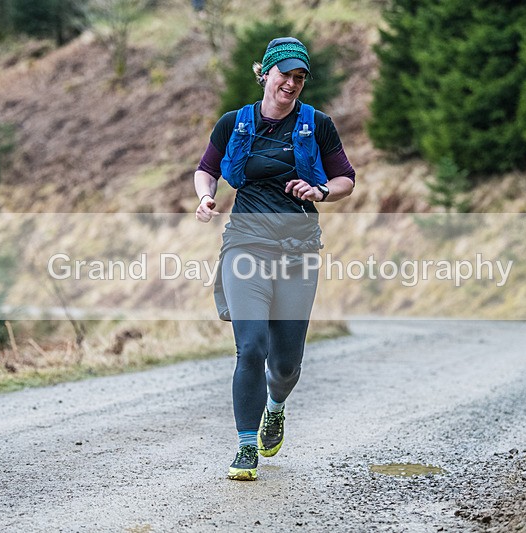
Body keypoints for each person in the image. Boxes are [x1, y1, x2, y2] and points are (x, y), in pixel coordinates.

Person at [194, 36, 356, 481]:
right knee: (250, 347)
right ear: (265, 73)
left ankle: (275, 406)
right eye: (286, 74)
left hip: (298, 251)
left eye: (300, 77)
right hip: (245, 244)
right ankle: (246, 447)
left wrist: (320, 190)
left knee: (284, 364)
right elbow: (206, 168)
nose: (292, 83)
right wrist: (206, 198)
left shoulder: (317, 124)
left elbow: (346, 180)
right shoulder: (234, 123)